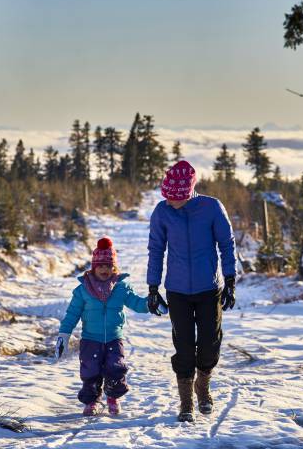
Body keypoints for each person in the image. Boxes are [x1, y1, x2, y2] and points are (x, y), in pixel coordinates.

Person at [147, 160, 237, 422]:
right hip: (177, 291)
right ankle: (186, 403)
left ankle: (203, 386)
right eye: (168, 196)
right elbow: (155, 250)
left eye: (176, 197)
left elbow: (227, 244)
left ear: (189, 192)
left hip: (209, 289)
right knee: (184, 348)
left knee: (209, 345)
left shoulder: (211, 207)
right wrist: (153, 287)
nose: (171, 201)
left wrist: (230, 280)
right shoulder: (162, 212)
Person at [55, 236, 149, 416]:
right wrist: (64, 335)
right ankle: (92, 401)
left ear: (114, 267)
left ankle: (113, 398)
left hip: (114, 337)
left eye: (109, 266)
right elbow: (72, 314)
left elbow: (136, 303)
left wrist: (150, 304)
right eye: (101, 266)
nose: (105, 269)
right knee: (91, 371)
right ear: (94, 267)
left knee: (116, 367)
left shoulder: (121, 287)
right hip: (91, 339)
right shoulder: (83, 290)